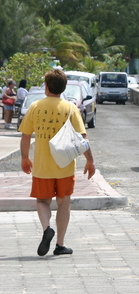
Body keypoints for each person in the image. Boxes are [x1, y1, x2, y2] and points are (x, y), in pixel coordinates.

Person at [19, 69, 96, 256]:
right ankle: (60, 244)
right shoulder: (70, 108)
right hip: (65, 165)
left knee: (42, 201)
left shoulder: (35, 107)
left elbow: (26, 135)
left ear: (46, 87)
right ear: (63, 88)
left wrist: (24, 158)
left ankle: (47, 229)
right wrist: (90, 161)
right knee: (64, 204)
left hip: (42, 166)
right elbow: (82, 138)